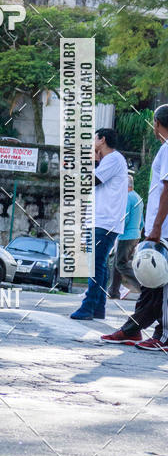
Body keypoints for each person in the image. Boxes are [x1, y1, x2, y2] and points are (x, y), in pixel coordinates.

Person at [102, 105, 168, 351]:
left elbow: (167, 191)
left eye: (154, 122)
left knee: (160, 285)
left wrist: (156, 229)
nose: (153, 127)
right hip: (159, 229)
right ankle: (132, 329)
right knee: (152, 284)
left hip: (163, 231)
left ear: (158, 123)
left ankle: (163, 335)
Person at [71, 128, 128, 321]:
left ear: (102, 140)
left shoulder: (113, 158)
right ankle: (98, 307)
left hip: (105, 221)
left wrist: (90, 161)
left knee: (95, 264)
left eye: (94, 138)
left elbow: (90, 180)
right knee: (99, 264)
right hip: (102, 220)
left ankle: (89, 306)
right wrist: (95, 160)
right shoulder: (109, 161)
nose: (92, 142)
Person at [107, 175, 143, 299]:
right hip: (135, 235)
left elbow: (125, 218)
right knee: (117, 262)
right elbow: (141, 221)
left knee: (121, 264)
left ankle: (143, 288)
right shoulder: (138, 197)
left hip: (126, 235)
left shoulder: (127, 198)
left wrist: (115, 229)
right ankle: (113, 291)